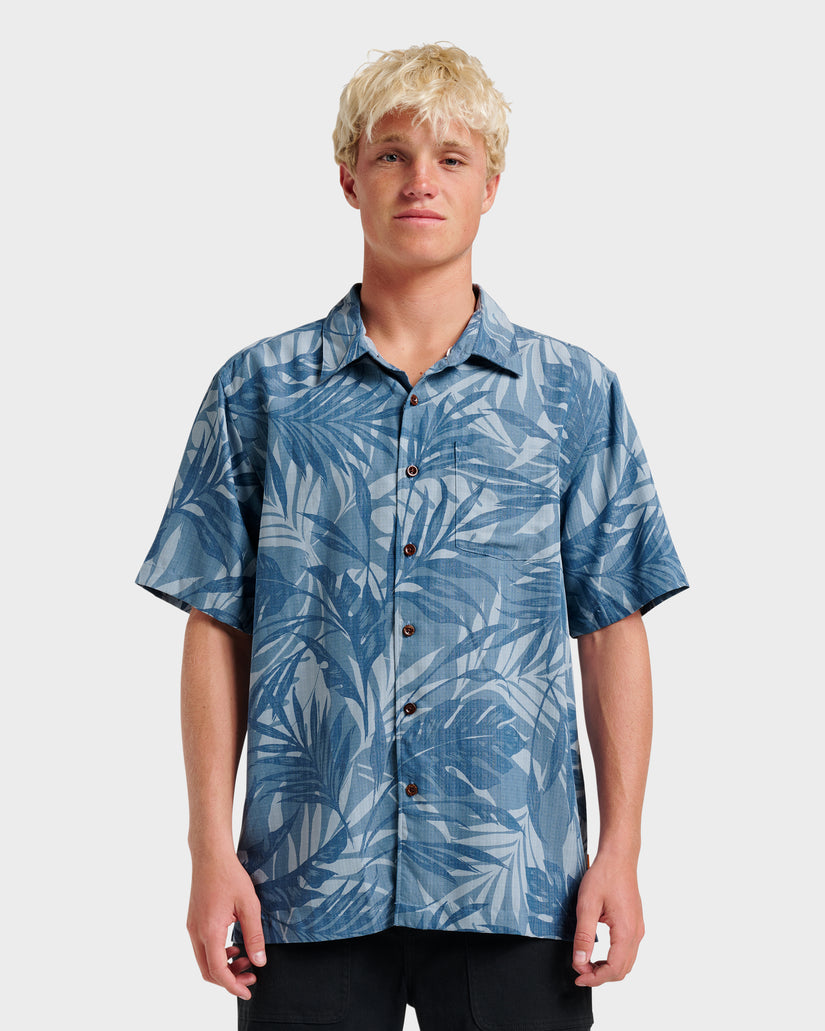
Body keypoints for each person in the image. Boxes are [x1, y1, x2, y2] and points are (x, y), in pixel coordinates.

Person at [136, 42, 688, 1031]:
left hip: (517, 883)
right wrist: (208, 849)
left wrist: (621, 849)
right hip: (304, 880)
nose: (420, 179)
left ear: (491, 187)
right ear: (348, 179)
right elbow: (216, 626)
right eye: (391, 154)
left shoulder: (572, 395)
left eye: (451, 157)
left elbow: (612, 627)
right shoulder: (259, 391)